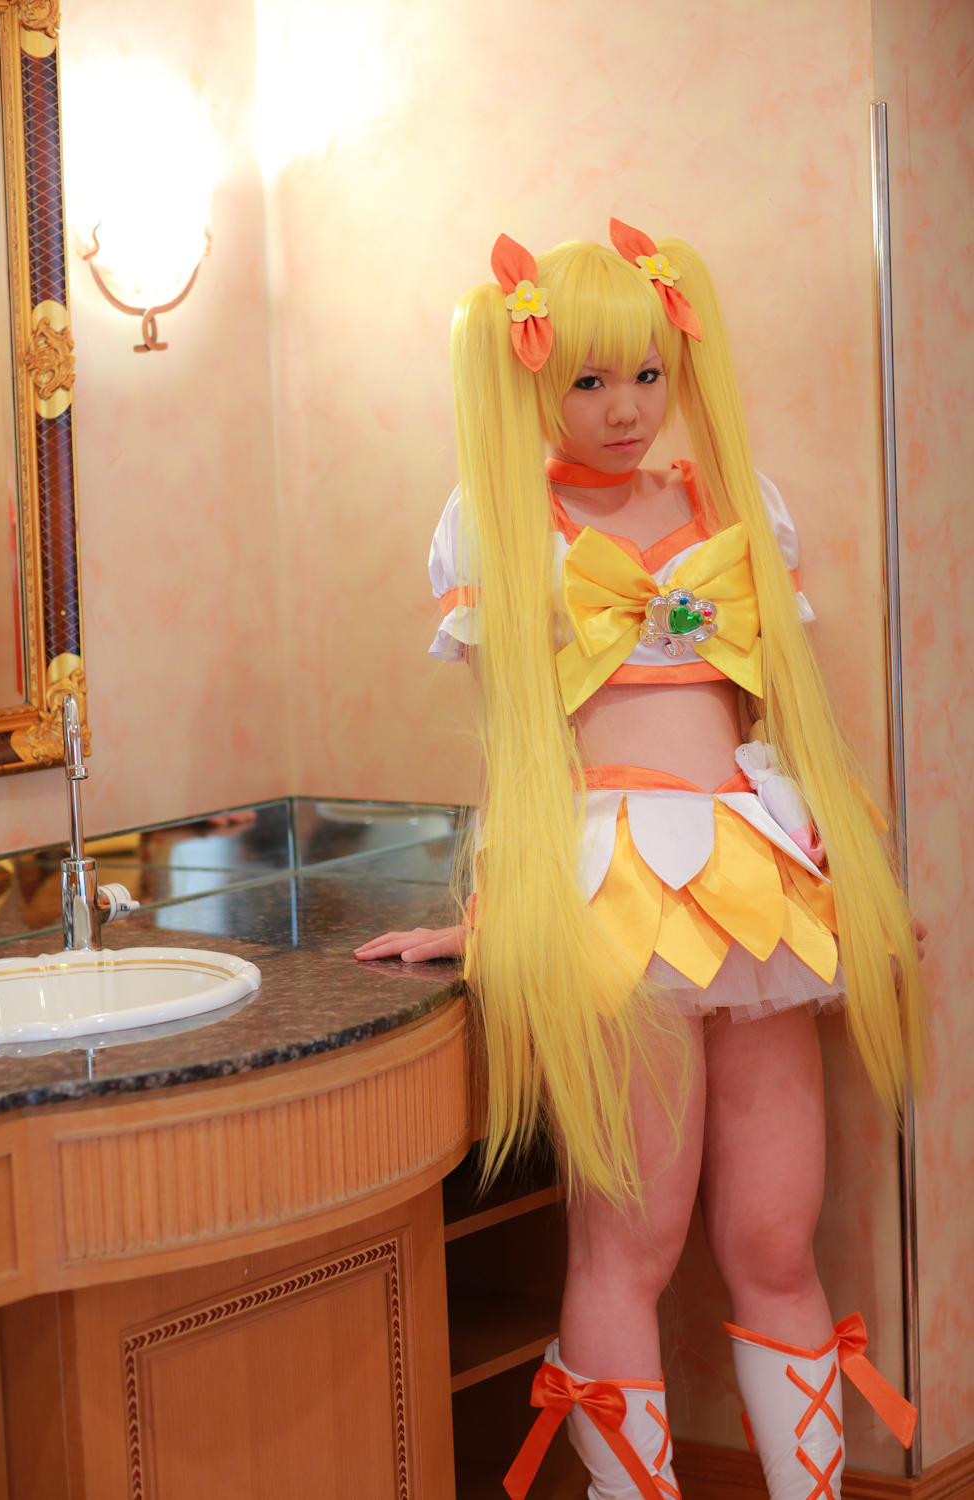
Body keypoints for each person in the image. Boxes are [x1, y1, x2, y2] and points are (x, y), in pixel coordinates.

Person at [355, 220, 925, 1500]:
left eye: (647, 375)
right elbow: (518, 749)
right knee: (633, 1243)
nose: (625, 408)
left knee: (774, 1239)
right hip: (610, 891)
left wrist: (855, 881)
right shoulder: (498, 522)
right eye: (590, 380)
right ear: (534, 380)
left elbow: (784, 718)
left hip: (752, 884)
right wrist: (490, 915)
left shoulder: (732, 501)